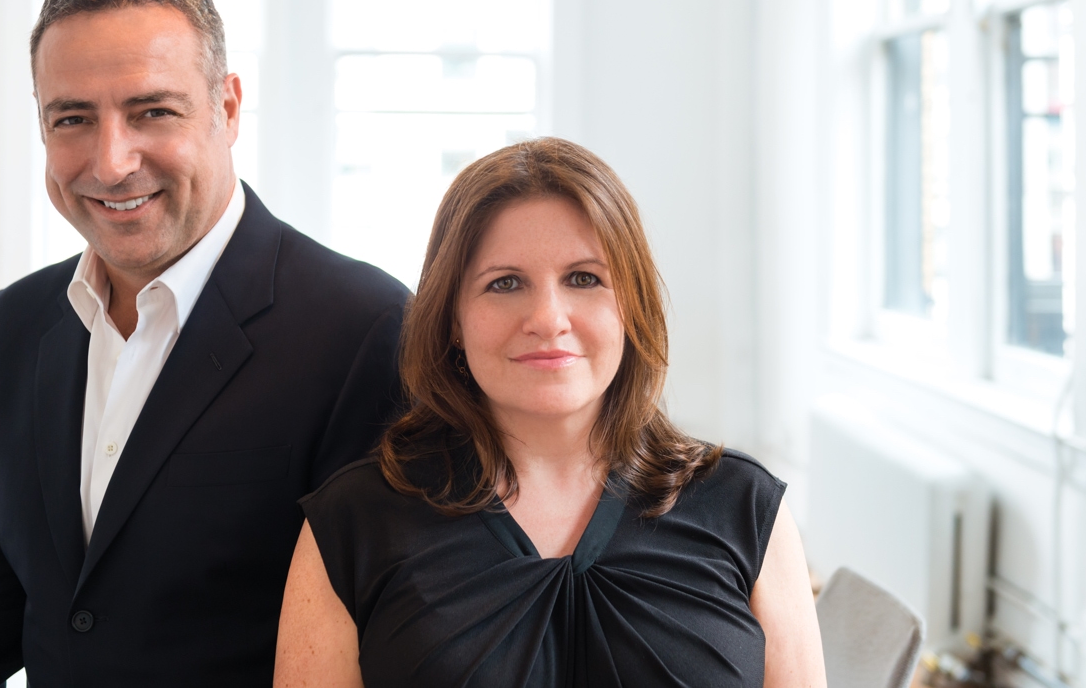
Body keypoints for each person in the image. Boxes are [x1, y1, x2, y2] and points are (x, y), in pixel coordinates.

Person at [0, 0, 408, 686]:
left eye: (152, 111)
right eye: (72, 119)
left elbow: (384, 652)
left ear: (228, 109)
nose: (111, 162)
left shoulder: (366, 331)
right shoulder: (10, 329)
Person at [275, 137, 827, 687]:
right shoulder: (352, 524)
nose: (547, 318)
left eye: (584, 278)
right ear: (452, 320)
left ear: (632, 306)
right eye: (505, 283)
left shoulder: (746, 508)